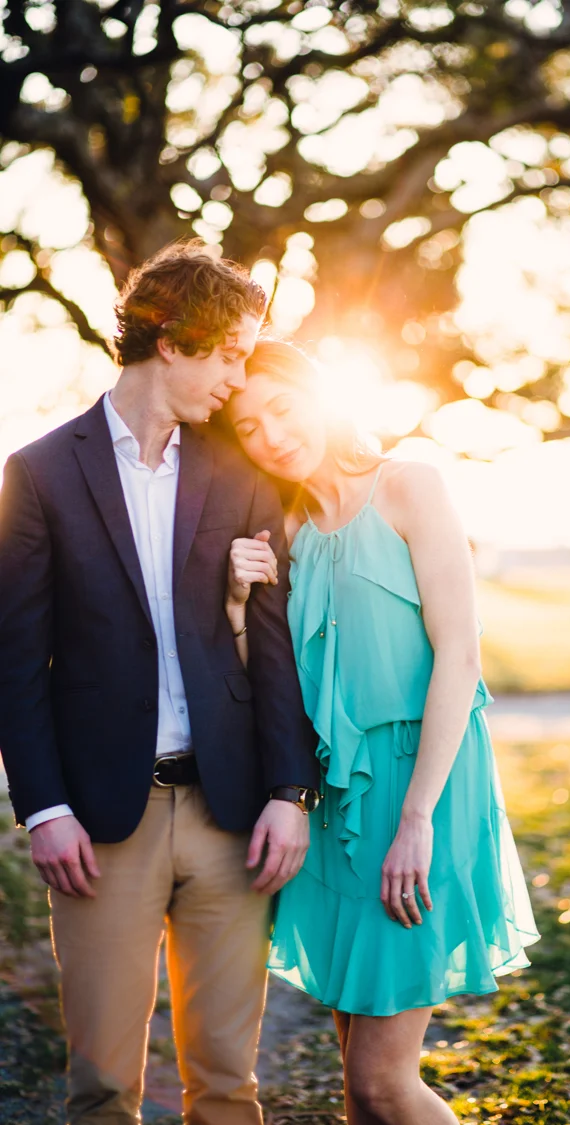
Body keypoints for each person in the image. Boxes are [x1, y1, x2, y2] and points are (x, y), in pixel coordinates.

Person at [0, 244, 320, 1125]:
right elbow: (16, 660)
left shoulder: (241, 471)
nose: (239, 376)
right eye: (230, 352)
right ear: (173, 338)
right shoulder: (39, 473)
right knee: (102, 1086)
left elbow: (275, 642)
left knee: (228, 1084)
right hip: (101, 825)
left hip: (231, 812)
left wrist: (292, 791)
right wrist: (45, 808)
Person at [222, 339, 540, 1125]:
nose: (272, 434)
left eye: (283, 407)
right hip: (333, 804)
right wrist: (235, 601)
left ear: (320, 394)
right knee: (354, 1076)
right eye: (249, 426)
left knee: (382, 1081)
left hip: (421, 785)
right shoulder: (285, 532)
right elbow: (265, 681)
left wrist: (417, 817)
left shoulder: (410, 486)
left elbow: (459, 656)